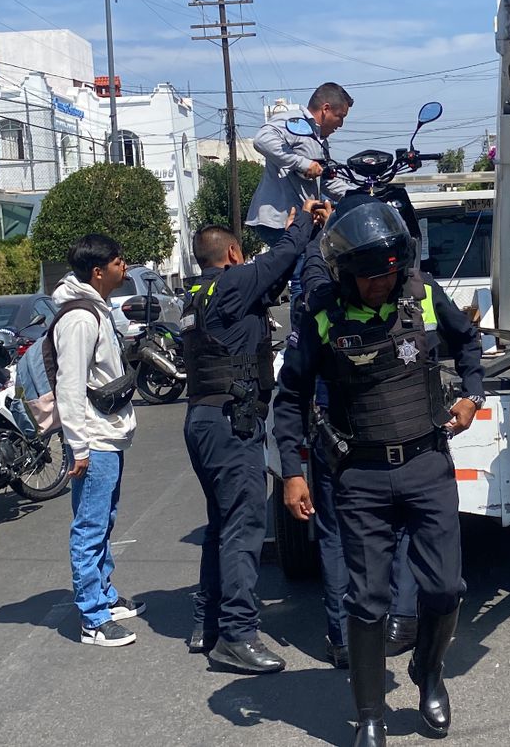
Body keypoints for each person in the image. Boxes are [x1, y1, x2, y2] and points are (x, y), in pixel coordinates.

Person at [273, 201, 485, 746]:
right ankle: (369, 713)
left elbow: (468, 343)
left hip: (427, 464)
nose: (379, 284)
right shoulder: (320, 314)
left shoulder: (424, 294)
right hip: (360, 476)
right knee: (366, 603)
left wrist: (473, 395)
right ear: (345, 275)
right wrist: (294, 472)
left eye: (388, 272)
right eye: (367, 276)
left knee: (445, 588)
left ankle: (428, 675)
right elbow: (291, 397)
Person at [180, 201, 328, 673]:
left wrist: (291, 238)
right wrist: (303, 222)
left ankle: (209, 625)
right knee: (243, 529)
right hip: (231, 422)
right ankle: (238, 635)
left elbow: (272, 279)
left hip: (204, 421)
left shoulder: (199, 293)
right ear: (234, 254)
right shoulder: (232, 283)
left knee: (221, 525)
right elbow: (279, 261)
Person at [295, 193, 423, 669]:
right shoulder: (403, 282)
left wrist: (314, 233)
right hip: (371, 422)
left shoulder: (321, 285)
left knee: (337, 533)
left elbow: (311, 269)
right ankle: (396, 617)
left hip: (338, 421)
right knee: (398, 523)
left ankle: (344, 634)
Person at [51, 234, 144, 647]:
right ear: (98, 271)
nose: (124, 267)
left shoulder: (97, 310)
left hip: (107, 434)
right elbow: (69, 386)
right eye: (118, 262)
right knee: (89, 526)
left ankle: (103, 594)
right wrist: (79, 445)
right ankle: (92, 618)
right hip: (93, 438)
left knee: (103, 519)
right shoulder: (80, 319)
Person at [248, 82, 353, 249]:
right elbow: (262, 140)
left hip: (299, 222)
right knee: (306, 269)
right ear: (326, 109)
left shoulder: (319, 140)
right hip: (280, 222)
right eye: (340, 116)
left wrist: (356, 196)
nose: (340, 124)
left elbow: (326, 180)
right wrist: (303, 164)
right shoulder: (294, 121)